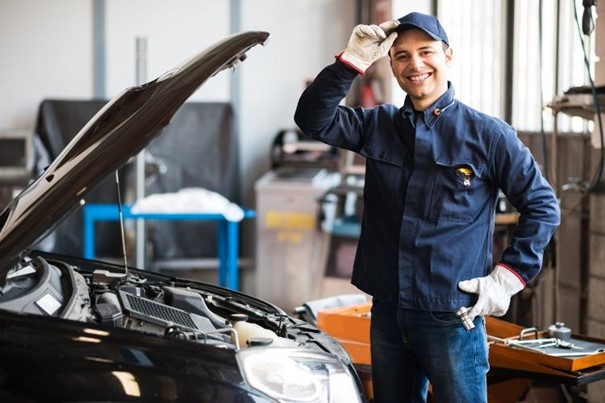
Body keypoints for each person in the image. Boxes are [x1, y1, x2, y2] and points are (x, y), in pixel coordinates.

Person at [294, 12, 560, 403]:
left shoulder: (487, 135)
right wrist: (351, 61)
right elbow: (312, 120)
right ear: (391, 64)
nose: (415, 65)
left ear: (447, 56)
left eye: (425, 52)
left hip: (452, 316)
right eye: (401, 56)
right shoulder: (379, 125)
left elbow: (542, 205)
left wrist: (508, 276)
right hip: (387, 312)